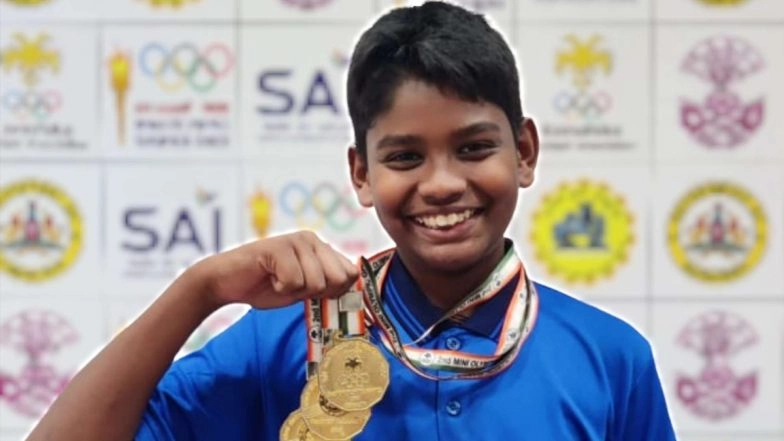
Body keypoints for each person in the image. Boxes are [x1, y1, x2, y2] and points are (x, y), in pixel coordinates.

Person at [27, 2, 677, 440]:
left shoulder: (611, 359)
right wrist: (199, 289)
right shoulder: (279, 344)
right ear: (361, 173)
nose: (442, 182)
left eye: (474, 147)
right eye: (405, 157)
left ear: (525, 151)